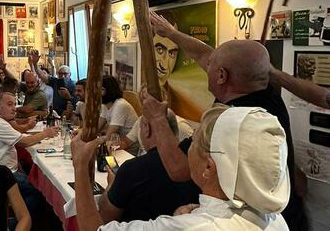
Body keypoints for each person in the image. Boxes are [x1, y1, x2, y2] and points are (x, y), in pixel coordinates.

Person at [150, 12, 306, 229]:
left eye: (211, 65)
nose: (205, 65)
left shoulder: (234, 119)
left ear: (221, 76)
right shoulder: (263, 91)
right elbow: (203, 54)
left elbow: (180, 169)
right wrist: (171, 33)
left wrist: (157, 119)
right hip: (276, 218)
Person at [72, 105, 290, 231]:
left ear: (208, 167)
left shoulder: (189, 227)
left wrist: (81, 166)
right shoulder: (274, 220)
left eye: (193, 141)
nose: (186, 148)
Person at [98, 107, 199, 224]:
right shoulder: (197, 166)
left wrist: (111, 185)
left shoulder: (132, 169)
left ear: (146, 128)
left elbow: (105, 220)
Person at [0, 92, 58, 226]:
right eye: (9, 104)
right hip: (0, 173)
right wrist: (46, 133)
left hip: (2, 169)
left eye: (15, 104)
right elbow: (25, 142)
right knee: (38, 192)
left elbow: (20, 136)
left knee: (33, 176)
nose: (14, 108)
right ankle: (18, 224)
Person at [29, 50, 77, 115]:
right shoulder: (55, 81)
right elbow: (42, 76)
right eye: (60, 73)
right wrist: (35, 64)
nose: (62, 76)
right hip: (54, 113)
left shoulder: (74, 85)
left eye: (65, 74)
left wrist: (69, 97)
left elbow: (77, 104)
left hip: (67, 115)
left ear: (70, 74)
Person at [101, 75, 138, 141]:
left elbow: (109, 136)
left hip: (128, 148)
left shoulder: (120, 105)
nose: (97, 93)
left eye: (101, 89)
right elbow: (97, 127)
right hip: (117, 144)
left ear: (110, 90)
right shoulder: (105, 104)